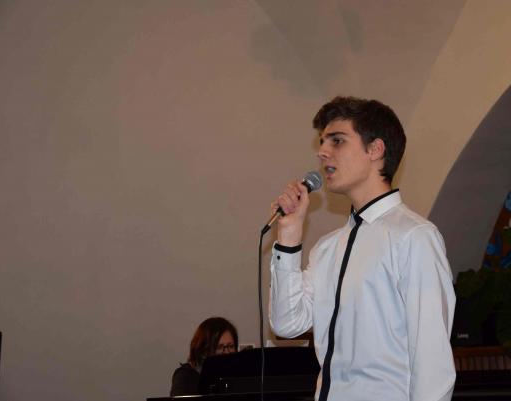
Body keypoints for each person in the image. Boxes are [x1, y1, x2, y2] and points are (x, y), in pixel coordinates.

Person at [269, 96, 456, 401]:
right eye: (322, 142)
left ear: (375, 149)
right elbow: (287, 324)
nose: (322, 151)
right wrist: (289, 238)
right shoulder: (327, 248)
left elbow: (432, 362)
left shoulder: (414, 237)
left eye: (337, 140)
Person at [170, 317, 238, 396]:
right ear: (204, 350)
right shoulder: (185, 376)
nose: (227, 352)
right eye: (219, 347)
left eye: (230, 346)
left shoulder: (237, 374)